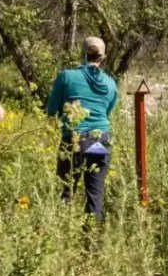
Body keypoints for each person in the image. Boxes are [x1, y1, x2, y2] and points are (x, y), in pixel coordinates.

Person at [46, 37, 119, 222]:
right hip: (101, 140)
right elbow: (107, 113)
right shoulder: (111, 84)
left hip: (75, 140)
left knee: (65, 192)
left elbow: (52, 111)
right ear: (103, 57)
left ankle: (62, 232)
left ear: (83, 53)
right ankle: (92, 237)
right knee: (95, 196)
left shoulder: (66, 76)